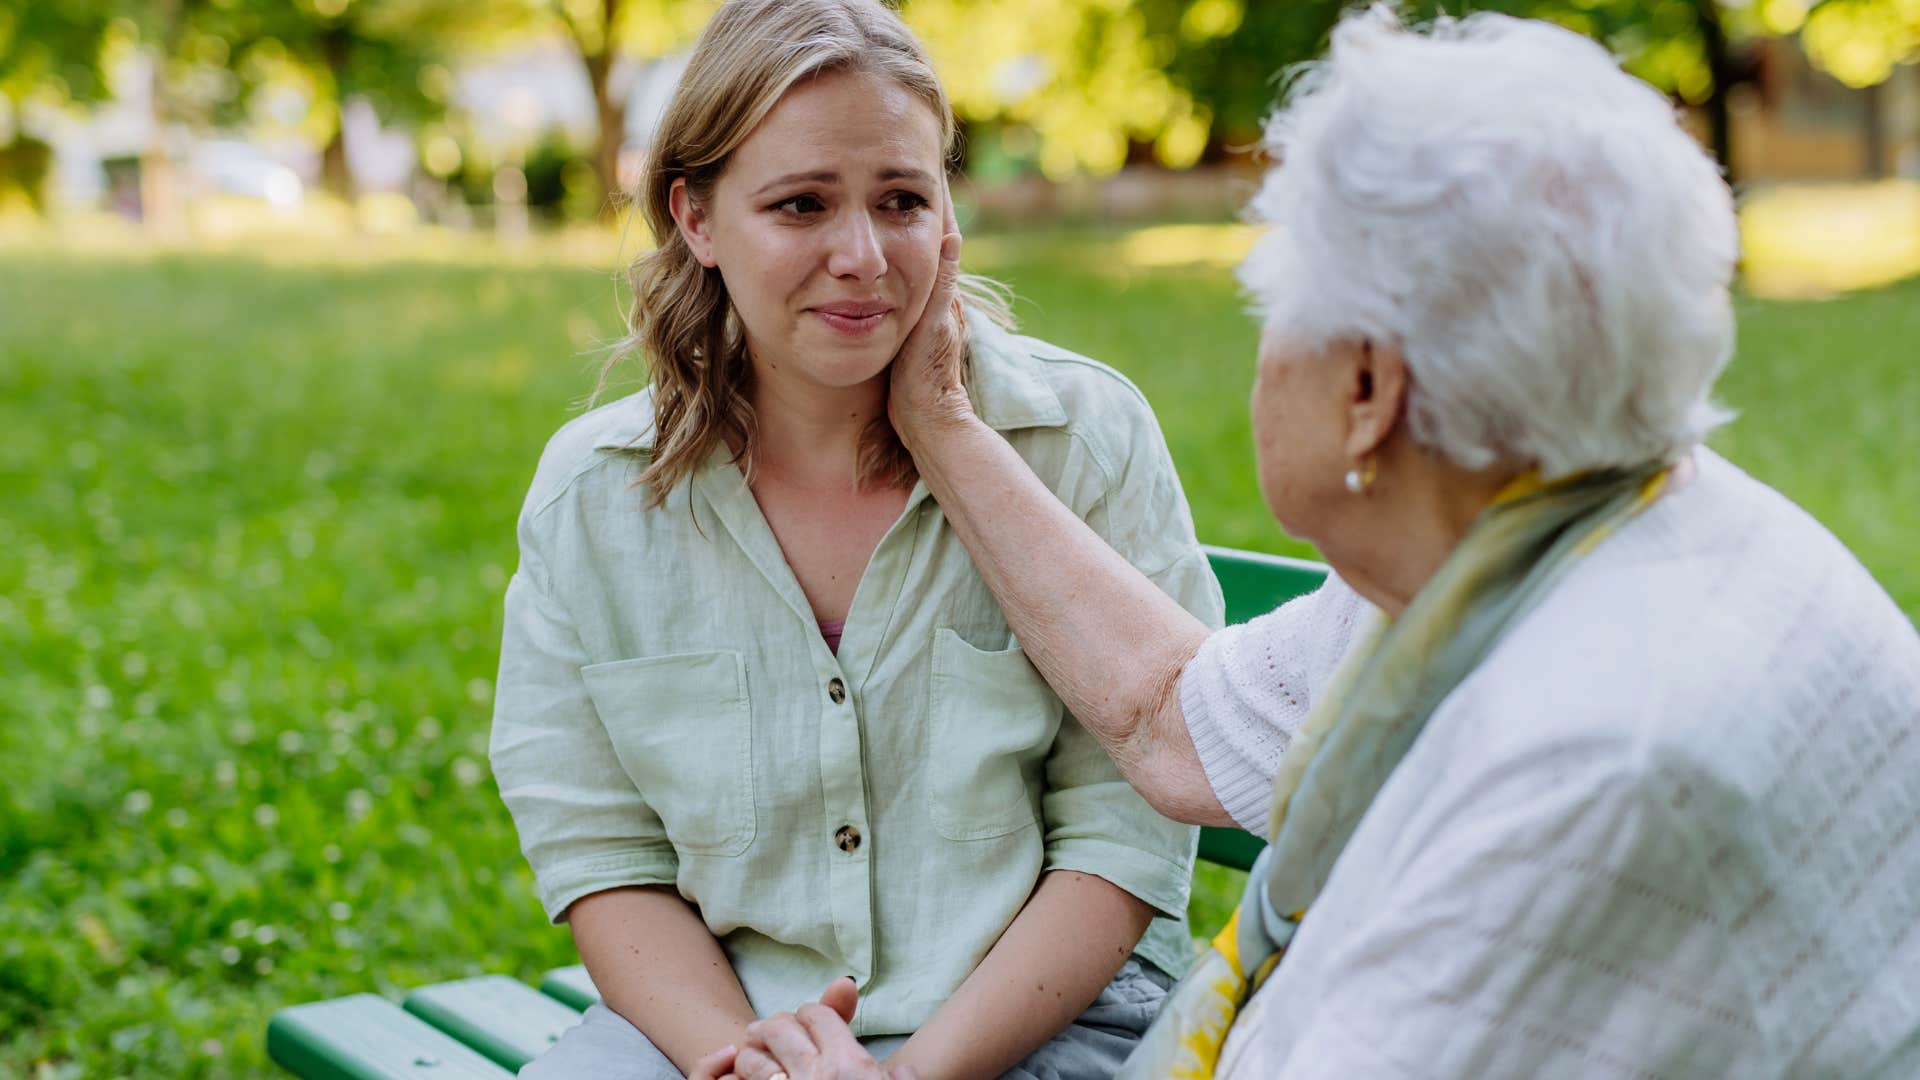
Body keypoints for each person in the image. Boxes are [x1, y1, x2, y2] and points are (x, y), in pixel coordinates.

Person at [714, 8, 1920, 1079]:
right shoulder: (1551, 534)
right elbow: (1172, 723)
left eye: (1275, 314)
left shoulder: (1592, 762)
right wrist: (942, 423)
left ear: (1365, 391)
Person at [486, 1, 1225, 1077]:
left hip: (1057, 1020)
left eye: (902, 200)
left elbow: (1124, 835)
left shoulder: (1080, 444)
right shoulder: (595, 501)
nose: (863, 256)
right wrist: (741, 1064)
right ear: (695, 217)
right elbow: (605, 855)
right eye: (799, 205)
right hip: (724, 1023)